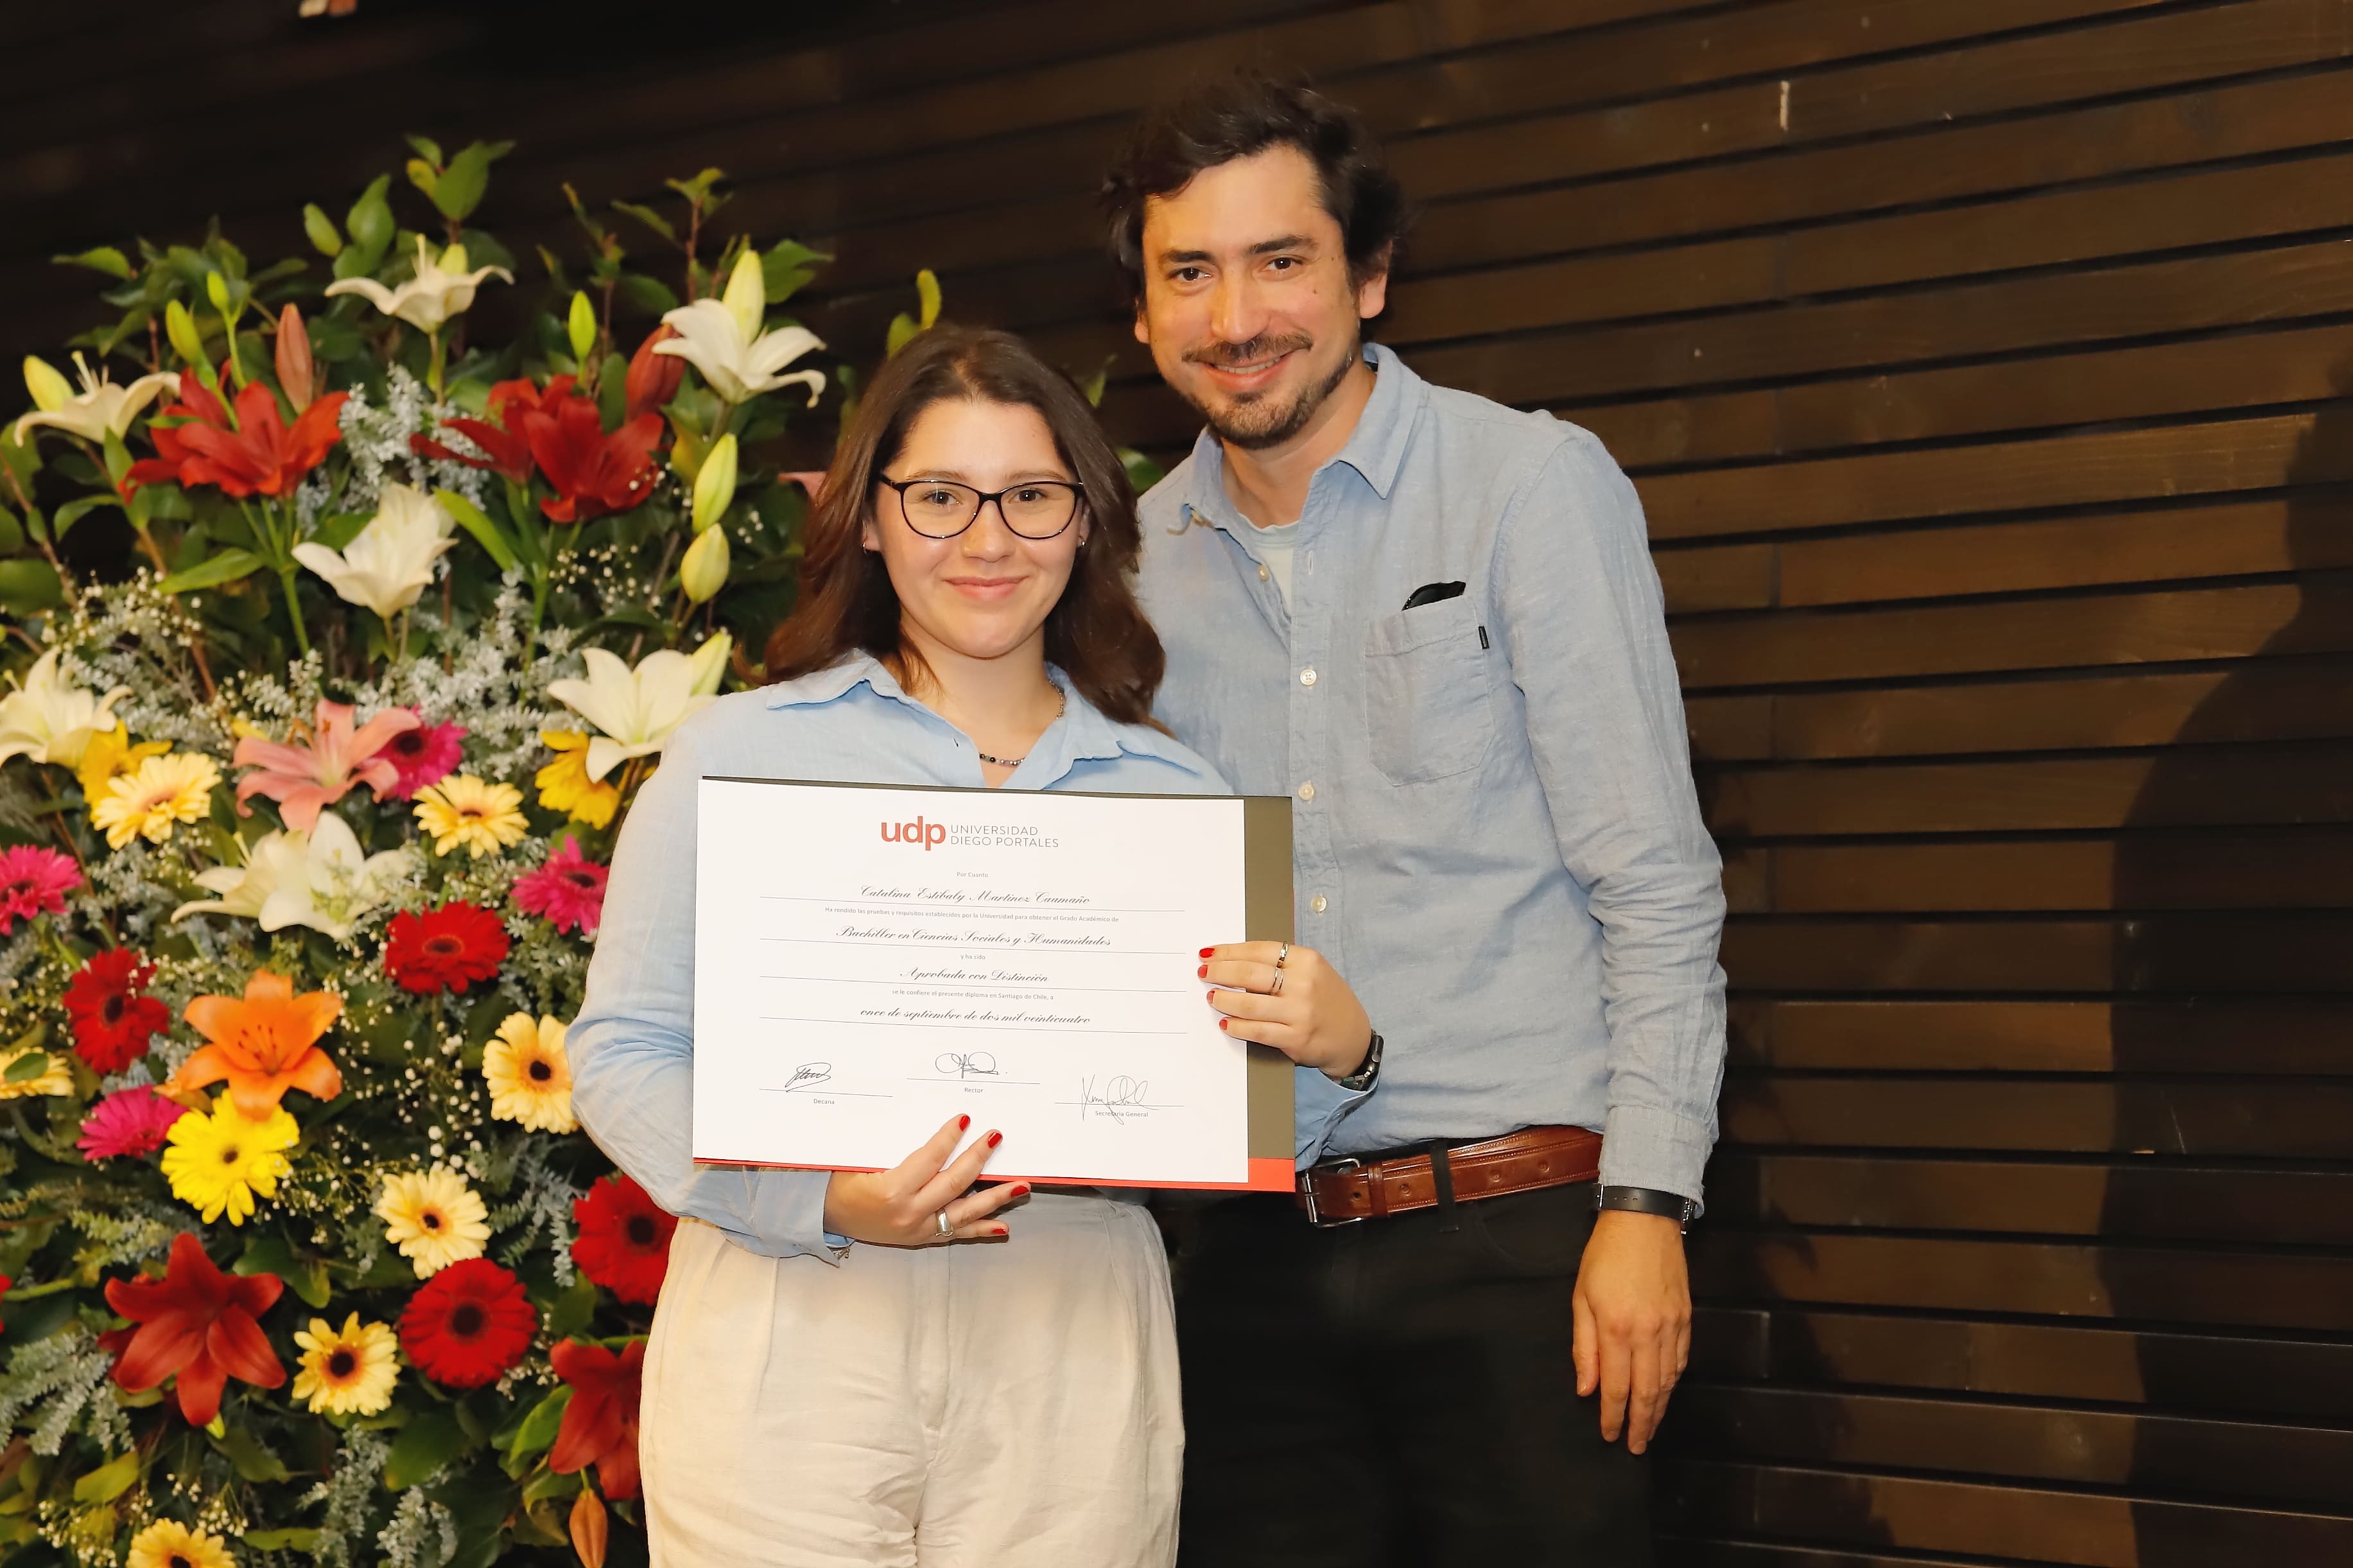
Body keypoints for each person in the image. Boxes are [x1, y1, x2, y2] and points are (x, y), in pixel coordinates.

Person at [1104, 73, 1730, 1565]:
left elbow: (1655, 880)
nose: (1234, 317)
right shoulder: (1121, 567)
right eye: (1189, 273)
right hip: (1246, 1262)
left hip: (1519, 1235)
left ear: (1369, 275)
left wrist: (1647, 1206)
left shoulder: (1529, 488)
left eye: (1279, 260)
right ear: (1141, 313)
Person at [568, 326, 1224, 1568]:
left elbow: (1234, 1115)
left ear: (1086, 520)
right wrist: (816, 1199)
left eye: (1031, 497)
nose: (988, 539)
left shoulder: (1176, 798)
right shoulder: (736, 752)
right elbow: (622, 1051)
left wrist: (1321, 1049)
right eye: (939, 497)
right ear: (870, 517)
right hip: (790, 1302)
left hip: (1071, 1315)